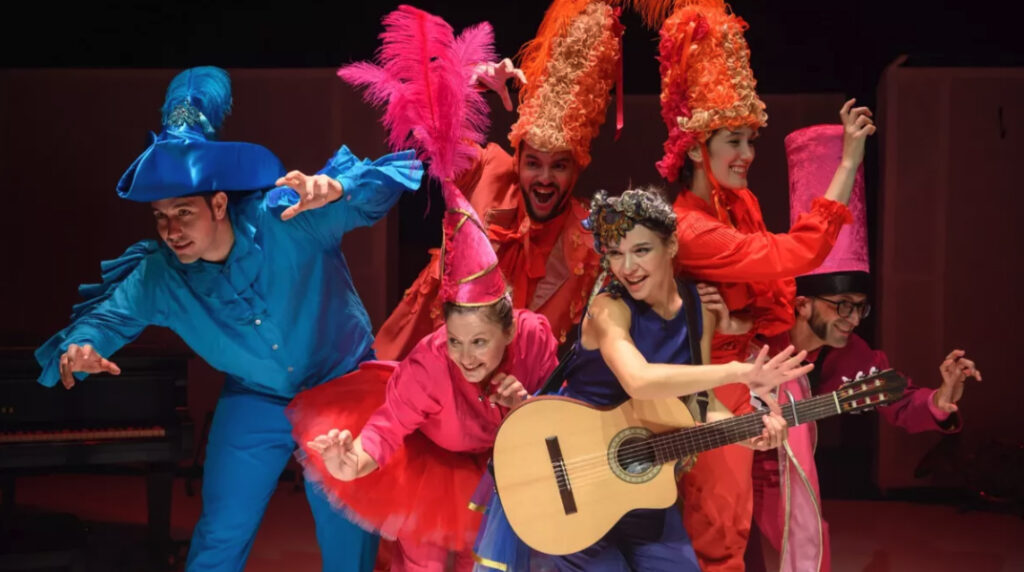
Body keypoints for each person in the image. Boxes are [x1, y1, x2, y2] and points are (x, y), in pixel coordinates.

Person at [33, 66, 424, 572]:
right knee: (220, 533)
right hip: (255, 397)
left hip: (339, 387)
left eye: (184, 213)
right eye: (160, 218)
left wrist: (339, 188)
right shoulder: (162, 274)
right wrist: (83, 347)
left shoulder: (286, 217)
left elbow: (388, 183)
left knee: (346, 538)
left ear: (218, 203)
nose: (171, 230)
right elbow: (108, 317)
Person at [648, 2, 877, 567]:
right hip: (708, 387)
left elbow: (774, 297)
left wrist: (743, 326)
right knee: (719, 529)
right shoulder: (691, 227)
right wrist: (847, 162)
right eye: (734, 141)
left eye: (752, 140)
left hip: (754, 372)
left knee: (771, 514)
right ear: (698, 146)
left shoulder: (739, 202)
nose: (748, 155)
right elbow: (793, 253)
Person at [734, 124, 982, 572]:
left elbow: (896, 396)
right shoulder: (756, 331)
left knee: (811, 543)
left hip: (778, 471)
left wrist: (941, 399)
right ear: (803, 303)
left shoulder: (846, 351)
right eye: (842, 306)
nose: (851, 319)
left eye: (860, 308)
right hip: (724, 456)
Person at [545, 187, 808, 571]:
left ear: (670, 246)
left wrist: (748, 432)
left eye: (641, 250)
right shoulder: (608, 307)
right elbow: (638, 380)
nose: (627, 267)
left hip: (639, 484)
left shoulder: (696, 306)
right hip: (576, 473)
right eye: (616, 254)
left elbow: (699, 405)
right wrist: (738, 371)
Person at [367, 0, 627, 359]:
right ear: (517, 157)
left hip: (510, 399)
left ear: (577, 167)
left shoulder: (588, 240)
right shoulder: (487, 168)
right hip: (419, 360)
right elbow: (429, 132)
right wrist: (469, 85)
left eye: (560, 166)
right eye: (533, 162)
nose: (545, 178)